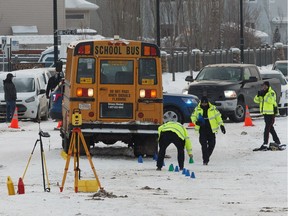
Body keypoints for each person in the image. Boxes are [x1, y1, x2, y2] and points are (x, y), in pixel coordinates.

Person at [191, 96, 226, 165]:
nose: (204, 104)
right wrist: (196, 122)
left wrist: (221, 125)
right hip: (202, 128)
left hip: (211, 128)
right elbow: (193, 116)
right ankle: (205, 160)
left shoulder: (213, 108)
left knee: (212, 144)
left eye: (205, 103)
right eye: (203, 103)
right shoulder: (197, 109)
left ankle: (207, 156)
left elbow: (218, 117)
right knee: (203, 145)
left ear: (207, 102)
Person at [254, 81, 281, 150]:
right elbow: (256, 100)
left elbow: (272, 101)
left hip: (271, 113)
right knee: (270, 128)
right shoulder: (262, 93)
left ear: (268, 86)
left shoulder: (271, 92)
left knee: (267, 128)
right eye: (263, 86)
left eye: (265, 86)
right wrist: (258, 95)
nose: (264, 87)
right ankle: (277, 141)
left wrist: (264, 96)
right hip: (265, 113)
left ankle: (265, 143)